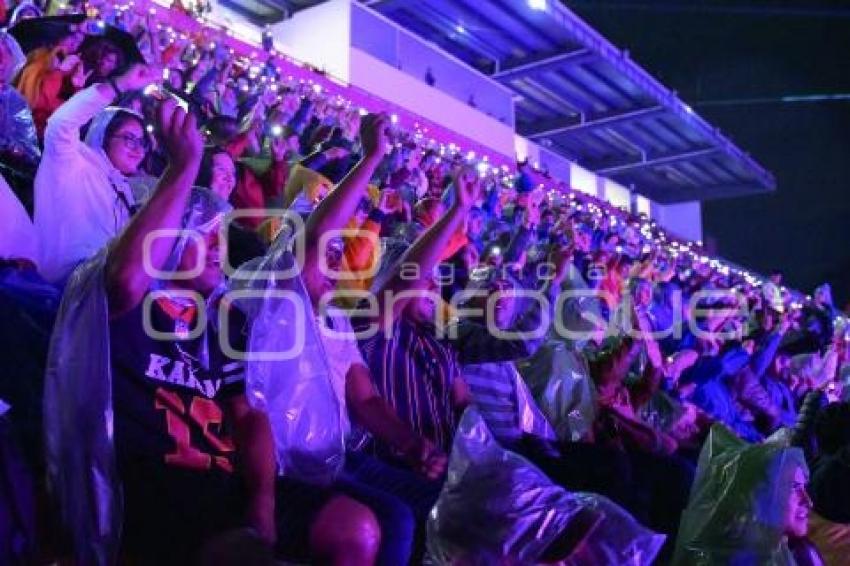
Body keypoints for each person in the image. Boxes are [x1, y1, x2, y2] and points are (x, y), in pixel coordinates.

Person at [34, 63, 157, 284]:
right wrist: (121, 84)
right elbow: (61, 124)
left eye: (142, 143)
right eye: (129, 139)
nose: (138, 150)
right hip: (59, 287)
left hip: (98, 292)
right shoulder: (73, 161)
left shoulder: (123, 188)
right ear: (104, 136)